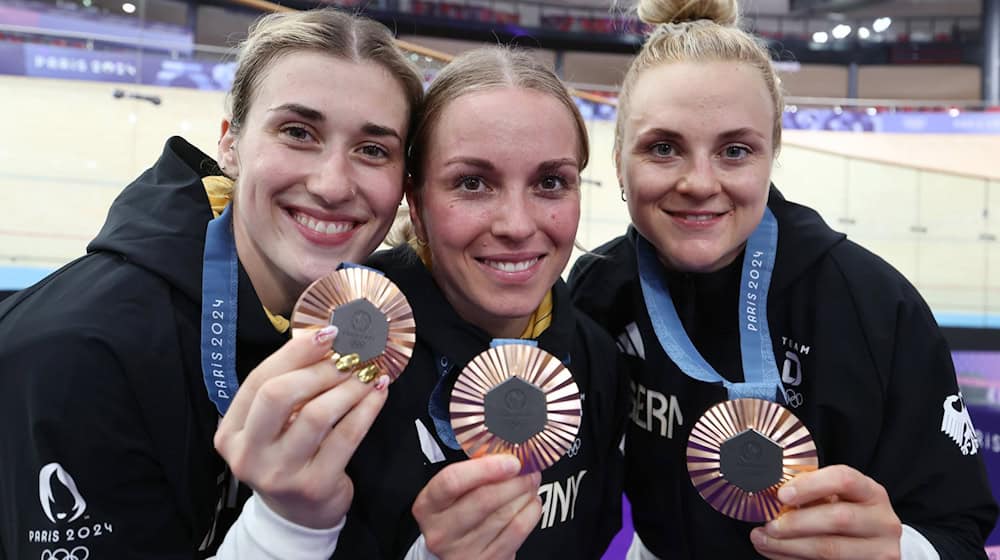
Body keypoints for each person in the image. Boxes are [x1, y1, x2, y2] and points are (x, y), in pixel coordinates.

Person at [568, 0, 998, 559]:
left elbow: (960, 530)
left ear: (773, 155)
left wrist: (899, 552)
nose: (699, 182)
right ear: (620, 158)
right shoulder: (599, 290)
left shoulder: (876, 308)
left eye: (735, 151)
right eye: (664, 148)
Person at [0, 8, 423, 558]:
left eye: (372, 150)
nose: (332, 184)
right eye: (297, 132)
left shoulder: (375, 332)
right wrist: (287, 530)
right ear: (230, 145)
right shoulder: (75, 354)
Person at [328, 47, 627, 559]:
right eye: (472, 183)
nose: (515, 224)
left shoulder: (596, 358)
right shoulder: (345, 335)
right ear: (415, 204)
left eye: (550, 182)